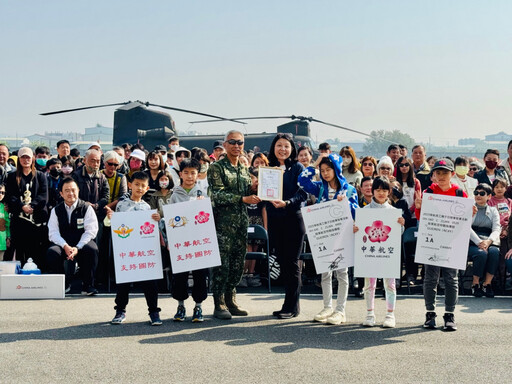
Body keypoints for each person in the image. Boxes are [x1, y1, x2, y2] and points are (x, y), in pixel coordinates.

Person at [298, 153, 358, 325]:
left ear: (336, 169)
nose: (324, 173)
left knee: (342, 273)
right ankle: (327, 306)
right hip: (324, 236)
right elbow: (301, 182)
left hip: (342, 236)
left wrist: (344, 203)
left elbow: (355, 212)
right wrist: (314, 164)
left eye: (328, 169)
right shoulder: (320, 188)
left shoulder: (349, 189)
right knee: (325, 272)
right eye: (322, 170)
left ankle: (340, 310)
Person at [207, 130, 259, 320]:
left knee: (238, 264)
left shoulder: (244, 169)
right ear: (225, 144)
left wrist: (253, 188)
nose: (237, 146)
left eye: (240, 143)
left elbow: (247, 190)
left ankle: (231, 300)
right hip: (223, 224)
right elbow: (217, 195)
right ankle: (218, 303)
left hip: (240, 223)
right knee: (222, 264)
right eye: (232, 142)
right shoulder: (217, 168)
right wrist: (242, 198)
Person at [415, 158, 468, 331]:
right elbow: (420, 217)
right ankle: (430, 313)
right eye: (438, 172)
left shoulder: (460, 194)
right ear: (433, 175)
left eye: (445, 172)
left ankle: (449, 314)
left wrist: (471, 212)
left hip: (452, 242)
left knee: (451, 278)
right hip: (433, 240)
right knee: (431, 278)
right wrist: (418, 207)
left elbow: (465, 221)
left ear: (452, 174)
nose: (442, 175)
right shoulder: (429, 191)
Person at [107, 171, 162, 326]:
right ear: (130, 185)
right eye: (136, 184)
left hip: (144, 251)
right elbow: (116, 227)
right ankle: (120, 310)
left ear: (147, 188)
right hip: (127, 251)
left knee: (150, 282)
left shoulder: (147, 207)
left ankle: (154, 311)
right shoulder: (122, 205)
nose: (139, 188)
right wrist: (112, 218)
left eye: (143, 185)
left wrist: (157, 220)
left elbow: (155, 229)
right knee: (124, 282)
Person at [354, 176, 405, 328]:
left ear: (389, 191)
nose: (381, 193)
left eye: (384, 190)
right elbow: (359, 233)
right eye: (378, 190)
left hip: (388, 254)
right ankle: (370, 313)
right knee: (369, 284)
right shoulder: (364, 211)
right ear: (373, 191)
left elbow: (398, 234)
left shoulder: (394, 212)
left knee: (390, 284)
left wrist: (401, 225)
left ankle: (390, 314)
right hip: (370, 254)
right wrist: (356, 229)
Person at [267, 133, 308, 319]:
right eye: (279, 145)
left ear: (291, 149)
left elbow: (303, 194)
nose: (282, 149)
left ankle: (292, 307)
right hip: (275, 220)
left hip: (293, 218)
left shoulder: (297, 167)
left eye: (286, 146)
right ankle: (288, 304)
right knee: (283, 262)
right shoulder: (268, 168)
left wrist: (288, 202)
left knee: (292, 264)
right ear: (273, 148)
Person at [169, 158, 208, 323]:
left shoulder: (203, 194)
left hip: (198, 242)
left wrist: (202, 206)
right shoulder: (174, 195)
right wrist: (170, 241)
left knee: (200, 275)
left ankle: (198, 306)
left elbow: (207, 219)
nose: (190, 176)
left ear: (198, 175)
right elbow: (170, 221)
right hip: (181, 242)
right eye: (186, 172)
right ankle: (180, 305)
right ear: (180, 174)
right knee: (180, 276)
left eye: (193, 173)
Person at [46, 177, 99, 295]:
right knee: (52, 252)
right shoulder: (56, 210)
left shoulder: (86, 208)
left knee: (92, 249)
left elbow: (91, 231)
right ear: (61, 193)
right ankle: (62, 284)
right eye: (67, 191)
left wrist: (78, 247)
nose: (71, 193)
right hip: (63, 243)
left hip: (81, 242)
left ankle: (88, 285)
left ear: (78, 191)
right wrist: (65, 246)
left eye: (73, 190)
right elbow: (53, 233)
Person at [5, 147, 48, 267]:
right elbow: (10, 196)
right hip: (19, 221)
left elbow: (44, 195)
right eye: (23, 157)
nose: (25, 160)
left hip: (35, 221)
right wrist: (22, 206)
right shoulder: (12, 176)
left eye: (28, 157)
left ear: (32, 158)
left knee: (35, 252)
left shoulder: (40, 176)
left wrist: (32, 206)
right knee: (20, 252)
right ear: (19, 159)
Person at [469, 183, 500, 298]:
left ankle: (487, 284)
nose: (478, 196)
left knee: (494, 252)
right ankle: (475, 283)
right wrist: (479, 242)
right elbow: (466, 227)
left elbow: (497, 228)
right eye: (476, 193)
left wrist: (488, 241)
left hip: (488, 239)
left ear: (489, 196)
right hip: (472, 240)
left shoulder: (493, 210)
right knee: (481, 253)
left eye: (482, 193)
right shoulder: (470, 209)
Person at [239, 167, 267, 288]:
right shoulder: (243, 193)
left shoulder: (262, 194)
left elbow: (264, 211)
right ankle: (243, 275)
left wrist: (265, 228)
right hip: (246, 222)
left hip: (258, 223)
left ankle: (251, 274)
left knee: (255, 250)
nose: (254, 182)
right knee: (248, 249)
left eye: (256, 180)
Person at [72, 149, 110, 223]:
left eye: (98, 161)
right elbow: (73, 195)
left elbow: (106, 196)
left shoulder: (102, 177)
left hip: (97, 215)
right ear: (84, 160)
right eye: (92, 161)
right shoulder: (76, 176)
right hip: (80, 214)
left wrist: (96, 205)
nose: (95, 164)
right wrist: (85, 204)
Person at [0, 183, 10, 260]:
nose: (1, 194)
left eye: (3, 192)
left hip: (1, 243)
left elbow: (7, 224)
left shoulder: (4, 208)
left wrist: (8, 238)